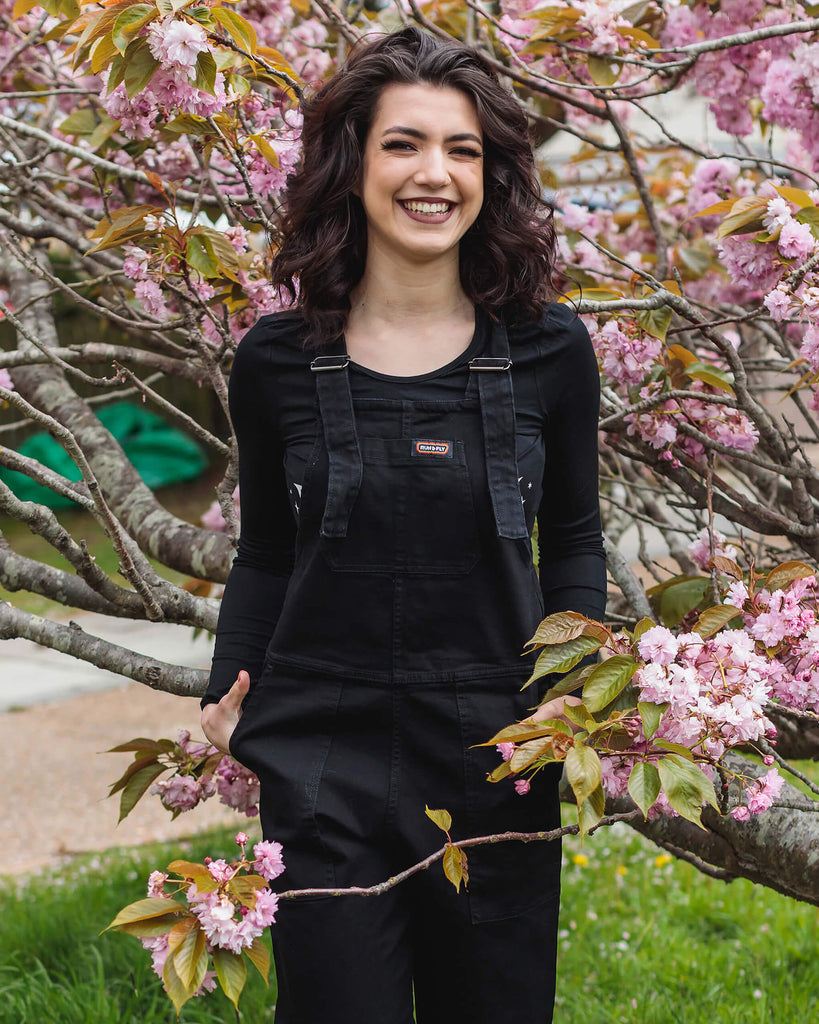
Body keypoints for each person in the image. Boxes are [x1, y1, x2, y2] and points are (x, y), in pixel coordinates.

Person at [201, 25, 606, 1024]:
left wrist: (577, 704)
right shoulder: (276, 361)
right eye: (403, 144)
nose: (435, 175)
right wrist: (224, 701)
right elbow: (264, 554)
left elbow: (577, 540)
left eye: (461, 150)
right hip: (323, 759)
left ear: (491, 174)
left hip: (498, 753)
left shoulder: (551, 351)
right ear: (352, 164)